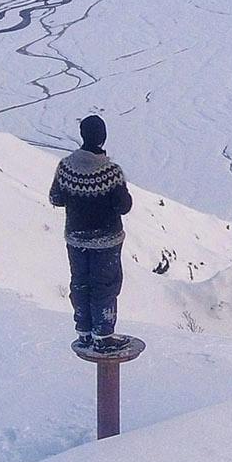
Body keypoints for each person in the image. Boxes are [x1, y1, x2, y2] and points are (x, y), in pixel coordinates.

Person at [49, 113, 133, 352]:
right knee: (105, 286)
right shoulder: (110, 172)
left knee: (80, 283)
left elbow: (56, 197)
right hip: (106, 241)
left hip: (76, 239)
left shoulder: (66, 167)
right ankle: (103, 336)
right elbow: (124, 206)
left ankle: (83, 331)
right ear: (103, 138)